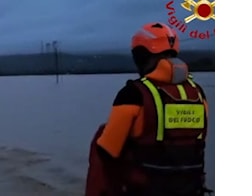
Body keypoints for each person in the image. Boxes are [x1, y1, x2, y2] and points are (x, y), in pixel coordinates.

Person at [85, 22, 213, 196]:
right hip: (191, 189)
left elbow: (107, 151)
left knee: (101, 136)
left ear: (141, 56)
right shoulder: (198, 94)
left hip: (146, 190)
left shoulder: (133, 94)